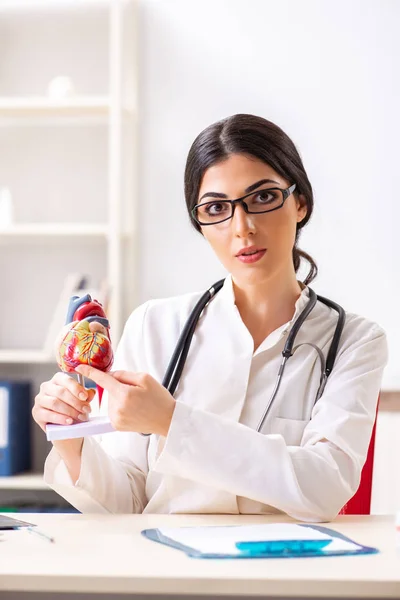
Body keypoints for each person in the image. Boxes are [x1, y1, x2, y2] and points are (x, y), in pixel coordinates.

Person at [32, 114, 388, 522]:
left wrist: (171, 420)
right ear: (200, 223)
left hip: (284, 573)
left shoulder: (356, 341)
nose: (243, 227)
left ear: (300, 203)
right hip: (166, 570)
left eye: (263, 198)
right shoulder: (154, 325)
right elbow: (126, 501)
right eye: (217, 208)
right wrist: (71, 441)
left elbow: (324, 487)